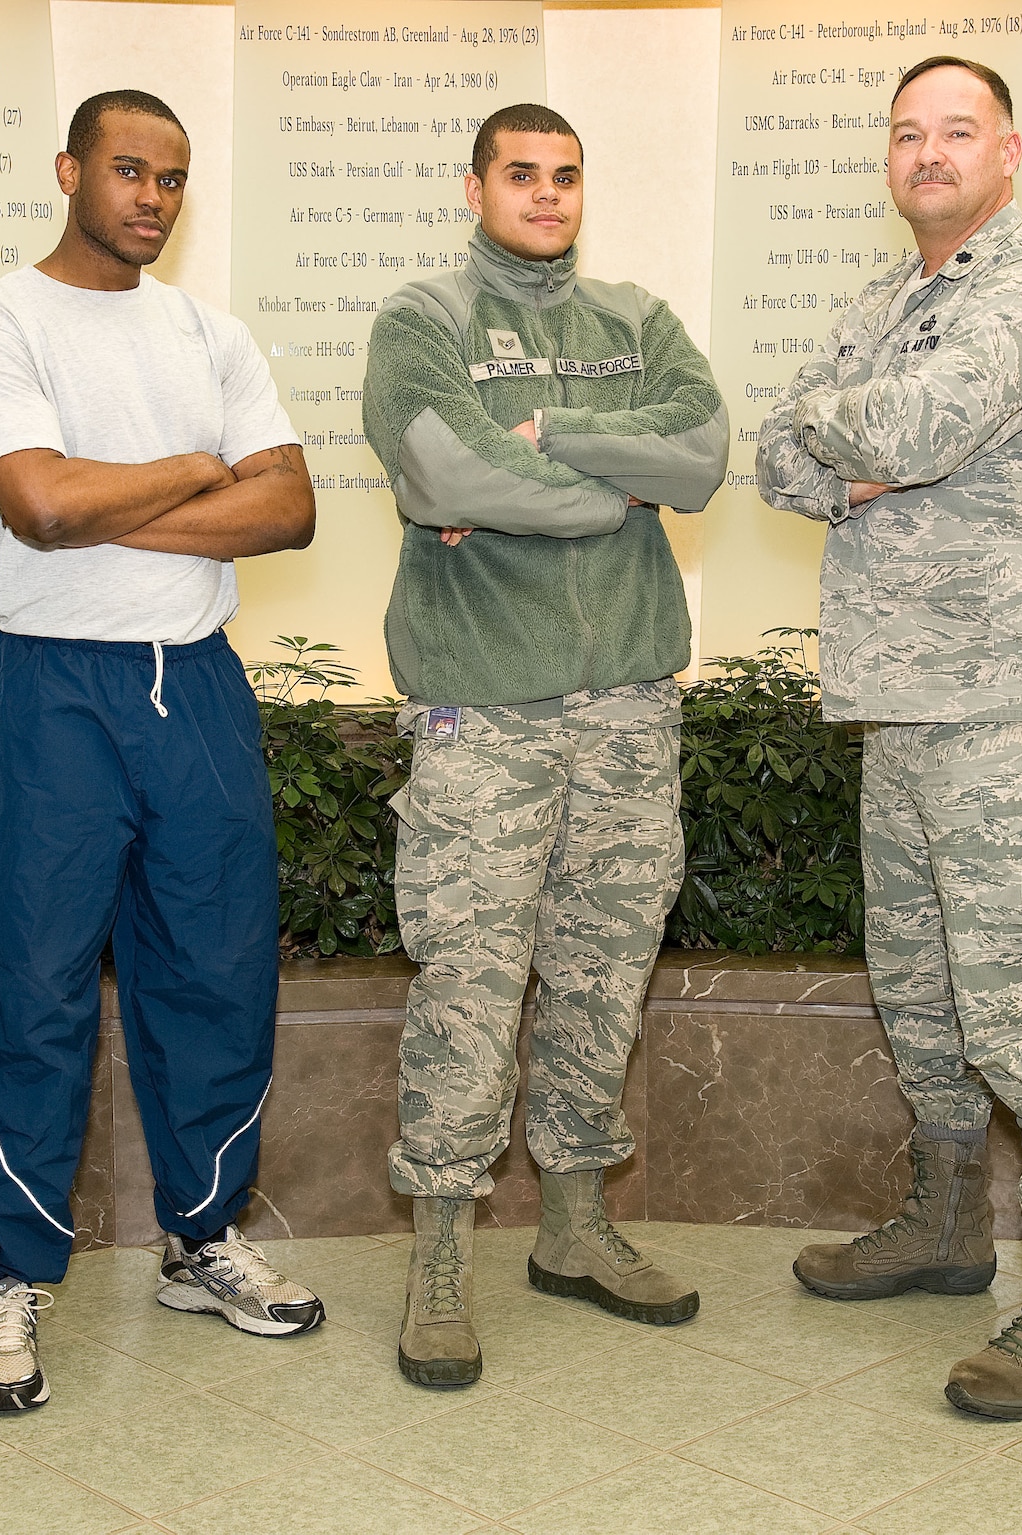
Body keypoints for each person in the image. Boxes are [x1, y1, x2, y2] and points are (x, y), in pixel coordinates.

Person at [757, 56, 1022, 1420]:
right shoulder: (883, 305)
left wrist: (859, 442)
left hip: (1020, 704)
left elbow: (916, 425)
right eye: (907, 133)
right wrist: (845, 447)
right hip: (907, 704)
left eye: (955, 131)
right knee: (920, 993)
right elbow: (777, 462)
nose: (928, 153)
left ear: (1008, 151)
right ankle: (947, 1221)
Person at [0, 90, 320, 1414]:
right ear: (70, 171)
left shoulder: (210, 329)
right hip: (58, 689)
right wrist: (195, 470)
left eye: (172, 178)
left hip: (198, 685)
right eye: (127, 170)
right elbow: (36, 501)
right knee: (33, 990)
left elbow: (292, 507)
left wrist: (112, 499)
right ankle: (8, 1280)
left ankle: (199, 1236)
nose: (151, 196)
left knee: (215, 974)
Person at [362, 102, 727, 1387]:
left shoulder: (634, 321)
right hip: (482, 709)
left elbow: (700, 455)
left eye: (566, 176)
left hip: (629, 706)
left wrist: (557, 440)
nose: (546, 195)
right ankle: (442, 1254)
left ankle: (573, 1227)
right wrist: (609, 495)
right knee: (468, 983)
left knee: (602, 972)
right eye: (521, 175)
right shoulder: (422, 320)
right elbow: (443, 479)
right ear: (475, 188)